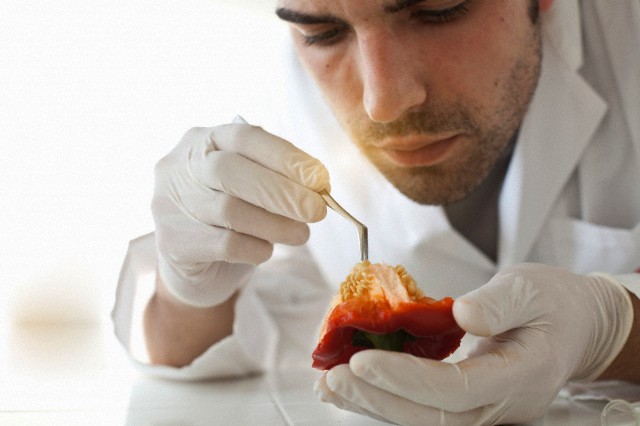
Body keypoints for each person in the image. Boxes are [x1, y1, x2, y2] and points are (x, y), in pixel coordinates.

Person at [112, 0, 640, 424]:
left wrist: (613, 328)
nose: (382, 103)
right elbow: (212, 346)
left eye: (437, 11)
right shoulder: (293, 93)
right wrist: (187, 287)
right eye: (321, 31)